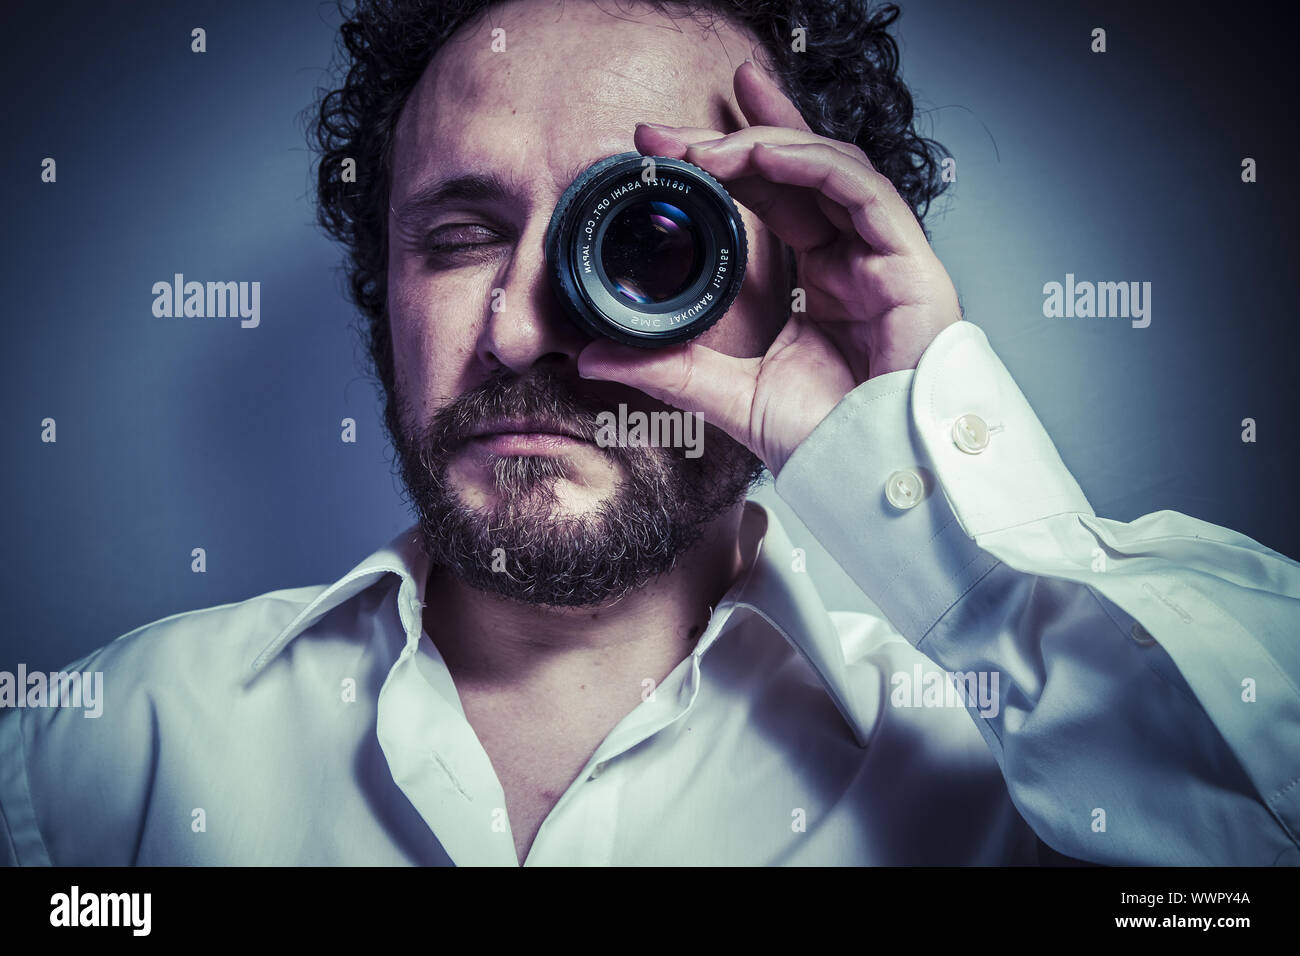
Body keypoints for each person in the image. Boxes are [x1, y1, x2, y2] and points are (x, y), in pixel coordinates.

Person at [2, 0, 1296, 867]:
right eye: (457, 241)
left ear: (801, 276)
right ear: (380, 291)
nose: (522, 332)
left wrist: (914, 448)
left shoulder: (1018, 763)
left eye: (641, 241)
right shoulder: (121, 743)